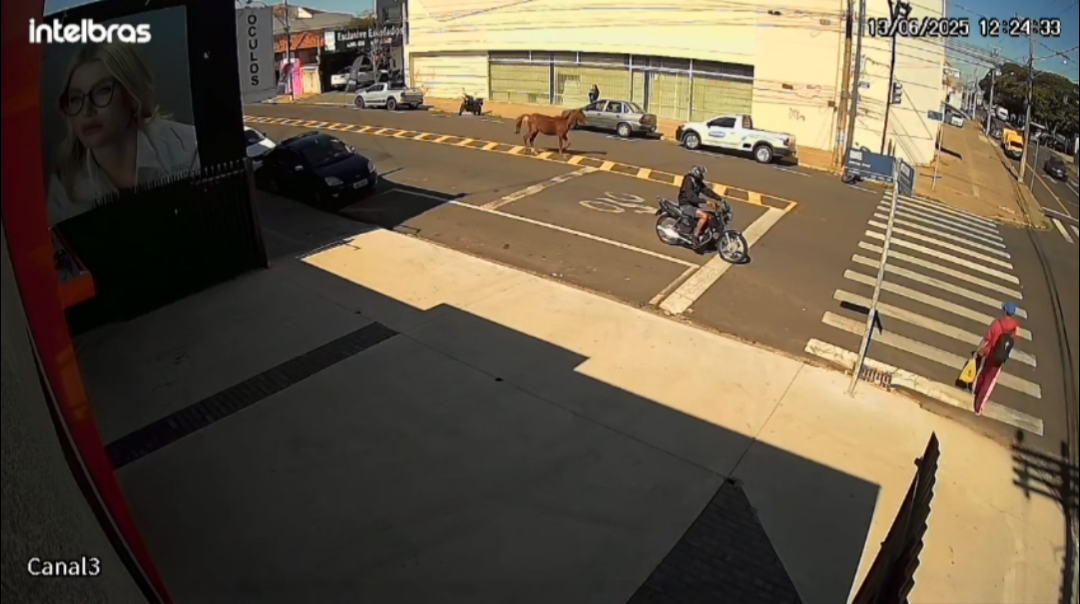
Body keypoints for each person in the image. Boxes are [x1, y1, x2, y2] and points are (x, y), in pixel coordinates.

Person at [47, 43, 200, 225]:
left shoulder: (188, 148)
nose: (86, 111)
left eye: (102, 91)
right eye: (76, 98)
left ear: (132, 95)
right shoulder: (65, 189)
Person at [973, 302, 1020, 415]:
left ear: (1004, 311)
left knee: (983, 373)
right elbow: (1014, 340)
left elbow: (986, 339)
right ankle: (979, 407)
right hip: (999, 358)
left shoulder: (996, 324)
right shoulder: (1014, 326)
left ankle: (977, 391)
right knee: (989, 381)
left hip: (990, 353)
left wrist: (978, 349)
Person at [677, 165, 725, 246]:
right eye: (701, 174)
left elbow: (706, 191)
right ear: (696, 173)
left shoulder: (697, 182)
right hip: (686, 205)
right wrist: (706, 201)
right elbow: (691, 197)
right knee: (704, 216)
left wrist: (719, 199)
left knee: (711, 216)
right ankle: (694, 236)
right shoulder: (688, 181)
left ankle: (703, 233)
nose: (702, 176)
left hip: (693, 205)